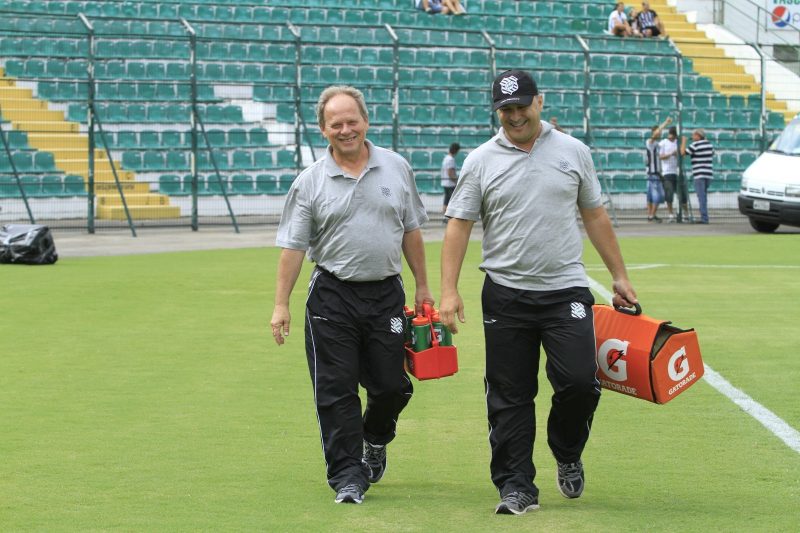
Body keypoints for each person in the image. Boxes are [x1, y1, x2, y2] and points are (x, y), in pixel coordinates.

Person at [439, 70, 638, 515]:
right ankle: (516, 486)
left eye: (521, 106)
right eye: (505, 109)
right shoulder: (480, 160)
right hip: (506, 294)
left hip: (565, 290)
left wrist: (619, 276)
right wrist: (449, 291)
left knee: (580, 382)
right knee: (509, 395)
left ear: (539, 103)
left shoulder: (573, 152)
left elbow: (595, 215)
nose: (514, 116)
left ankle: (566, 451)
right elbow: (459, 225)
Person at [270, 85, 434, 505]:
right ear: (323, 129)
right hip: (331, 296)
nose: (346, 129)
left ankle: (375, 438)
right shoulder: (310, 182)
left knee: (391, 387)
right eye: (336, 123)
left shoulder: (396, 167)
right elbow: (293, 247)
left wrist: (422, 286)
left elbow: (411, 230)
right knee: (336, 390)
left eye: (352, 120)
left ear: (366, 120)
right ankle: (347, 475)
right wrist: (280, 304)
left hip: (386, 295)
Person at [681, 129, 714, 224]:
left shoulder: (695, 145)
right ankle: (704, 215)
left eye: (693, 135)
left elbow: (683, 153)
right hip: (709, 174)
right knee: (703, 196)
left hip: (699, 174)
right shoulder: (709, 144)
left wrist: (683, 141)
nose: (692, 137)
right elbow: (712, 153)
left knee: (701, 196)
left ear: (698, 136)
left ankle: (704, 218)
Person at [658, 125, 686, 222]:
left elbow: (683, 155)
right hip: (667, 172)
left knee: (682, 195)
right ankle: (670, 214)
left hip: (677, 171)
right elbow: (660, 157)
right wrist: (671, 154)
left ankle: (685, 214)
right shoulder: (663, 143)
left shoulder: (678, 143)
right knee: (669, 194)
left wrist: (679, 151)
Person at [645, 117, 670, 222]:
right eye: (658, 131)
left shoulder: (657, 145)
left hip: (655, 173)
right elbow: (654, 135)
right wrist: (666, 123)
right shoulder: (650, 142)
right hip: (653, 173)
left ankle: (651, 215)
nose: (660, 133)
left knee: (650, 196)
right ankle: (651, 215)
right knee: (659, 195)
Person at [441, 142, 460, 221]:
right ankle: (448, 218)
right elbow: (450, 173)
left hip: (445, 183)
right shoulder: (451, 159)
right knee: (452, 201)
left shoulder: (446, 158)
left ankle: (445, 217)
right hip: (450, 184)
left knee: (446, 200)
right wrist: (457, 182)